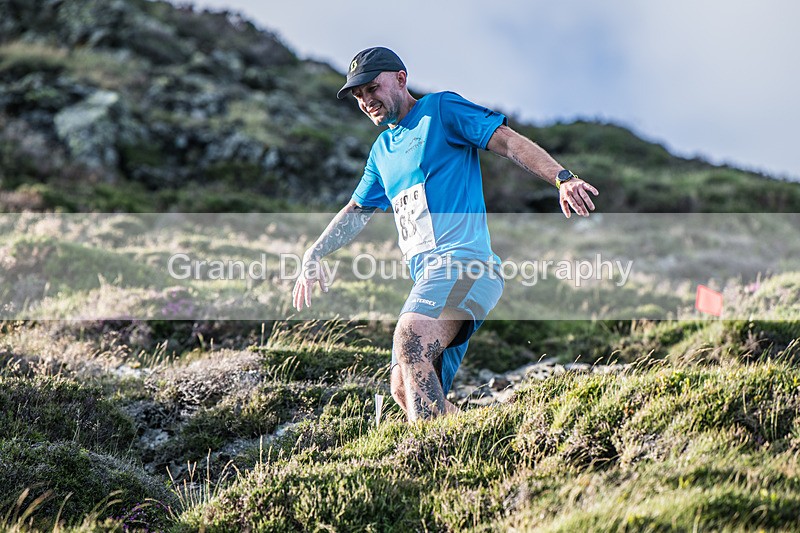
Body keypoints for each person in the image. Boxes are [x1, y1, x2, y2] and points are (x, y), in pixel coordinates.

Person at [292, 47, 598, 421]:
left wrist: (561, 177)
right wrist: (315, 253)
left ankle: (429, 455)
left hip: (465, 265)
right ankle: (491, 431)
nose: (366, 100)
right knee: (403, 388)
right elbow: (358, 210)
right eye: (359, 95)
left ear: (400, 79)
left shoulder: (441, 110)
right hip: (430, 280)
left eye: (373, 88)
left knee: (410, 338)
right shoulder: (382, 151)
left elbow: (506, 141)